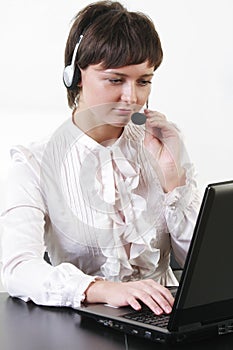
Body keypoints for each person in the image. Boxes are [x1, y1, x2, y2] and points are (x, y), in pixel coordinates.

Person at [1, 0, 200, 315]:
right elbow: (17, 269)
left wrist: (173, 183)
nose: (131, 97)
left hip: (164, 319)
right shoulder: (34, 164)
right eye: (116, 79)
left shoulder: (161, 143)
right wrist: (102, 289)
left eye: (144, 81)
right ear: (76, 75)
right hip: (81, 325)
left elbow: (203, 266)